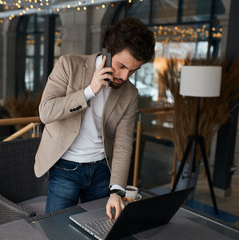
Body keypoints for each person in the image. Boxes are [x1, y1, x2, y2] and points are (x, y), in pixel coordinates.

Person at [34, 17, 155, 220]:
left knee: (98, 228)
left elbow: (124, 144)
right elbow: (45, 112)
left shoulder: (130, 94)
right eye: (122, 66)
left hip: (101, 171)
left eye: (134, 70)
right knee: (56, 230)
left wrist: (117, 190)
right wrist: (89, 91)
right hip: (65, 168)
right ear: (107, 51)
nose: (125, 77)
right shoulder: (68, 65)